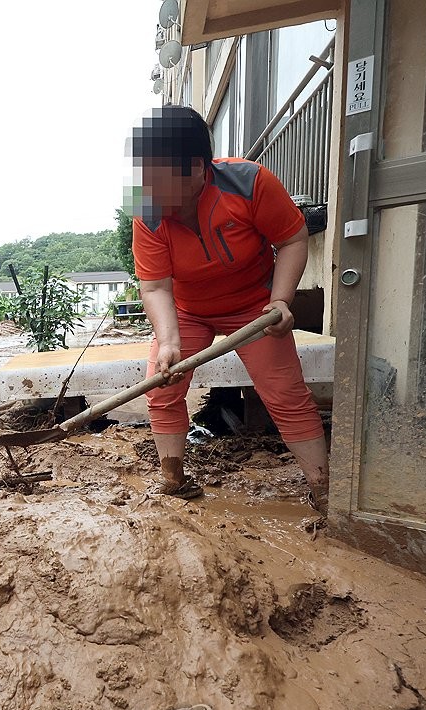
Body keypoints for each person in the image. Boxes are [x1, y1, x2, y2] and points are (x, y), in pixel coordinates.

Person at [127, 105, 329, 514]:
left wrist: (281, 300)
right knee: (162, 386)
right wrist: (169, 340)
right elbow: (154, 285)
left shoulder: (249, 183)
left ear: (197, 169)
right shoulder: (146, 209)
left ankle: (323, 490)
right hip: (188, 309)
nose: (147, 190)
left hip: (255, 306)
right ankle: (173, 479)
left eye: (158, 179)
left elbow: (292, 239)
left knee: (286, 395)